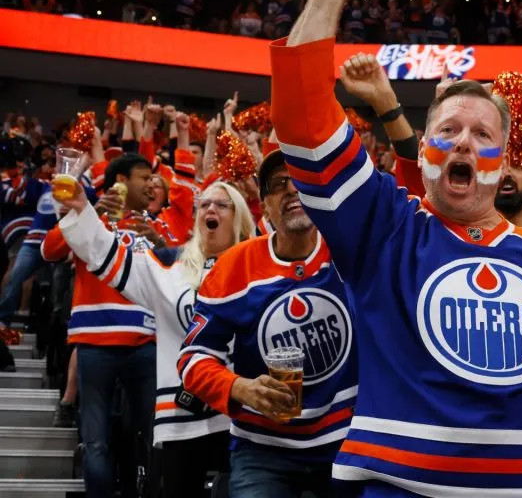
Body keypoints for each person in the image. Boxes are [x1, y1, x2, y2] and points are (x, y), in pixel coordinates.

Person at [271, 0, 522, 496]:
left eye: (482, 134)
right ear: (425, 147)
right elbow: (301, 118)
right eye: (448, 131)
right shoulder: (384, 226)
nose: (463, 143)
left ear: (505, 159)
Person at [55, 170, 253, 498]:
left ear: (241, 219)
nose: (210, 210)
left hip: (243, 418)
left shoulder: (259, 268)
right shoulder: (168, 269)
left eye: (222, 204)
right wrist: (82, 210)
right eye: (203, 204)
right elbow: (107, 255)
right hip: (178, 420)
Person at [177, 149, 357, 498]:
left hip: (343, 440)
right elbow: (193, 359)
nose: (291, 190)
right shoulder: (233, 268)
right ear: (265, 206)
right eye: (279, 185)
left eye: (301, 181)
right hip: (262, 449)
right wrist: (238, 387)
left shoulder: (350, 251)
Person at [41, 151, 180, 498]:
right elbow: (48, 250)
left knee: (153, 439)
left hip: (146, 344)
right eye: (143, 177)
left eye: (153, 178)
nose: (151, 184)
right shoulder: (90, 218)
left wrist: (162, 243)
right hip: (95, 344)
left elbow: (185, 271)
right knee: (96, 441)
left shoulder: (157, 224)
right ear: (121, 181)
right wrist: (87, 214)